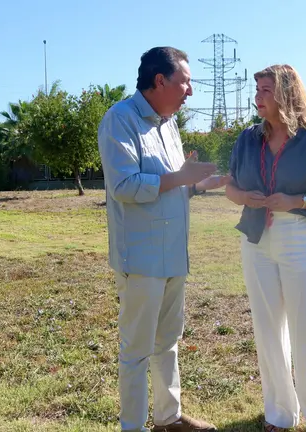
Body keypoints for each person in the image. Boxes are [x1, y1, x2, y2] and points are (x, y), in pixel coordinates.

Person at [98, 46, 228, 432]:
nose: (190, 92)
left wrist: (201, 185)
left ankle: (169, 418)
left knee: (168, 341)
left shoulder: (168, 123)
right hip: (141, 259)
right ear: (160, 80)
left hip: (173, 255)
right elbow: (125, 186)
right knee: (137, 350)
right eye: (185, 82)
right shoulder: (120, 119)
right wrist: (183, 178)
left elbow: (170, 185)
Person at [224, 64, 306, 432]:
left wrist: (296, 201)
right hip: (257, 238)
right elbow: (231, 186)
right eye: (257, 89)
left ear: (286, 93)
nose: (257, 97)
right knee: (267, 329)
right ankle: (280, 413)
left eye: (265, 89)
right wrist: (243, 196)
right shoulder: (248, 138)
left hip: (302, 237)